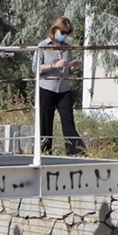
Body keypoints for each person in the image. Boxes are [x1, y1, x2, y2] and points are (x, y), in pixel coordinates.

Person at [34, 16, 86, 155]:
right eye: (63, 32)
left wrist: (73, 66)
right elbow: (35, 68)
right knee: (45, 121)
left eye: (67, 33)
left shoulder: (67, 48)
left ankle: (75, 151)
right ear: (55, 29)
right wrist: (53, 65)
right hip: (47, 87)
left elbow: (66, 69)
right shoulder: (43, 46)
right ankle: (45, 152)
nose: (64, 36)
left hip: (64, 88)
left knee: (68, 119)